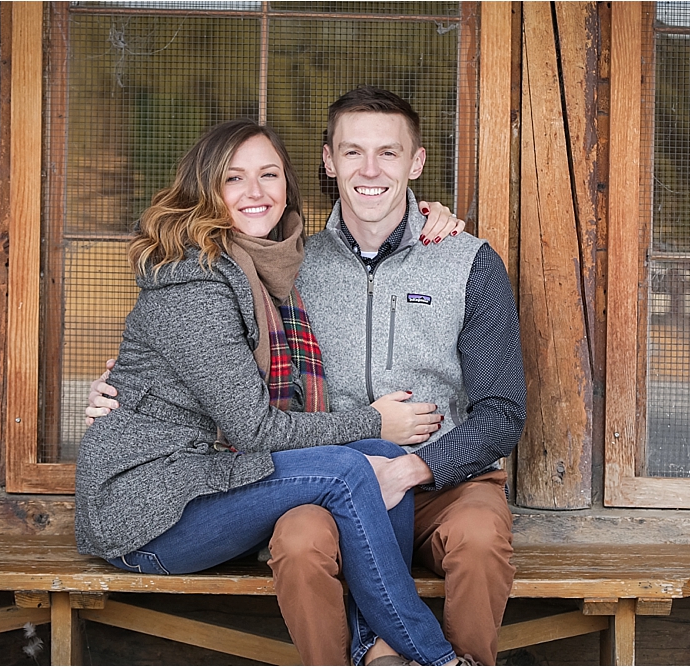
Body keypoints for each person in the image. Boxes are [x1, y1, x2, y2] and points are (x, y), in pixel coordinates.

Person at [88, 88, 525, 666]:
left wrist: (415, 467)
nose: (370, 170)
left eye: (389, 154)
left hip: (441, 476)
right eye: (353, 153)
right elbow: (214, 376)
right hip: (313, 471)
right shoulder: (291, 265)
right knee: (303, 536)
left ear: (415, 164)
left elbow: (503, 411)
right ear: (328, 162)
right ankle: (403, 659)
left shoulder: (464, 258)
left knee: (477, 540)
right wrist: (121, 392)